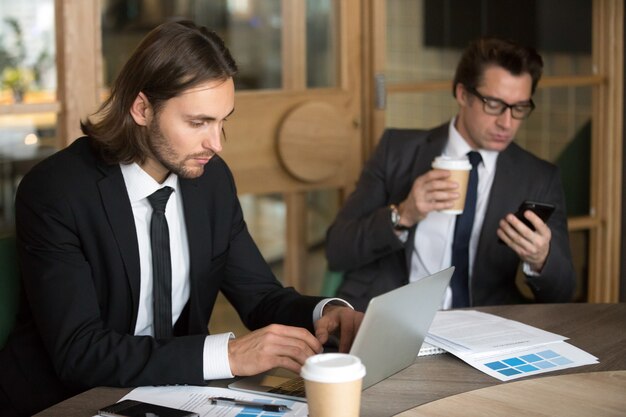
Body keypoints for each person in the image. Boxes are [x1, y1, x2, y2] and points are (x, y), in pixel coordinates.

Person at [0, 20, 362, 416]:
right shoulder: (57, 190)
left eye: (224, 121)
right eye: (198, 123)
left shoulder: (210, 181)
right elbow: (80, 351)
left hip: (175, 395)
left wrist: (326, 313)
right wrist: (230, 354)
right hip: (67, 400)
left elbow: (260, 296)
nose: (216, 143)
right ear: (142, 108)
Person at [326, 36, 575, 312]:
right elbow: (337, 250)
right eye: (493, 105)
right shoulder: (396, 150)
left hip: (486, 324)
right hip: (393, 314)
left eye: (519, 108)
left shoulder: (538, 177)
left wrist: (540, 259)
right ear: (462, 94)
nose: (507, 122)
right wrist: (402, 215)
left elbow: (563, 292)